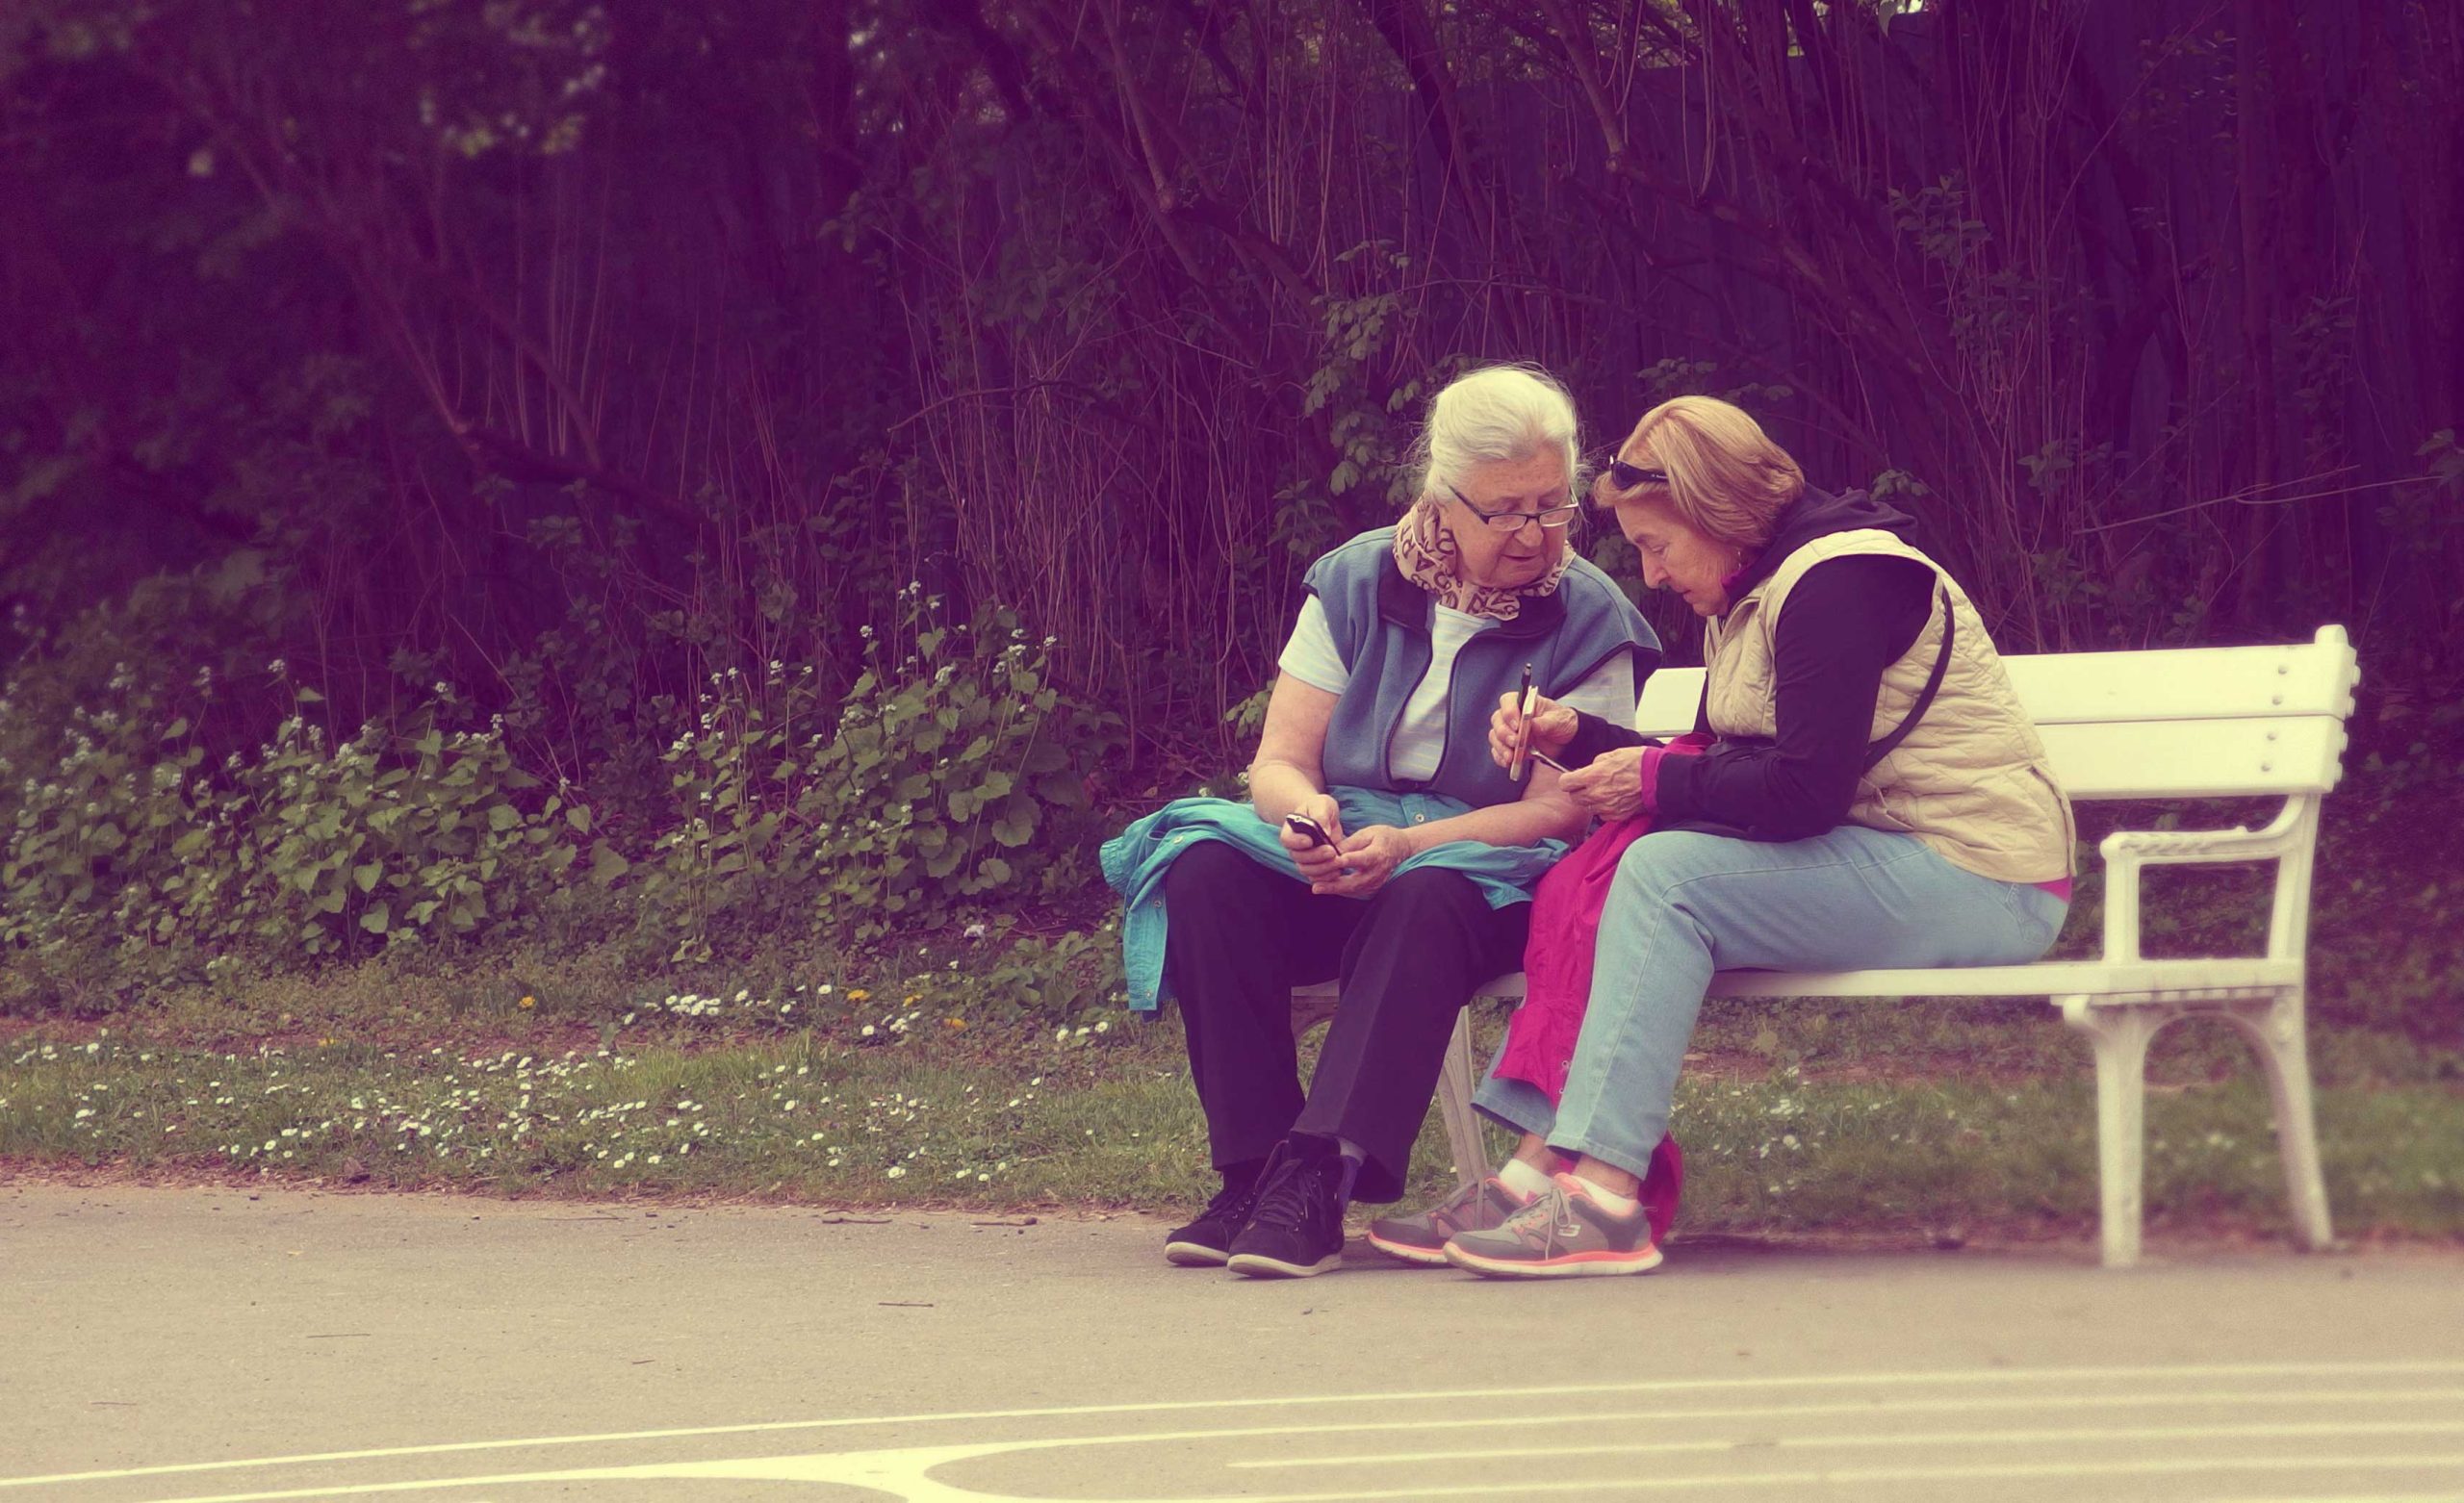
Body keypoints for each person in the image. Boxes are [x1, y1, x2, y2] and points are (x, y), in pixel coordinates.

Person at [1364, 394, 2076, 1278]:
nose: (1652, 575)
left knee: (1667, 876)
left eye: (1657, 546)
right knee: (1633, 867)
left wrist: (1650, 779)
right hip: (1886, 856)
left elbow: (1801, 793)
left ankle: (1606, 1198)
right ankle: (1537, 1174)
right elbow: (1724, 765)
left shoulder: (1838, 583)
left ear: (1713, 514)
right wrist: (1575, 736)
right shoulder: (1757, 585)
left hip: (1982, 877)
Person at [1101, 365, 1659, 1279]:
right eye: (1506, 510)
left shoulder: (1590, 613)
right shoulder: (1356, 580)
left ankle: (1321, 1177)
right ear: (1445, 498)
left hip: (1485, 875)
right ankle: (1250, 1174)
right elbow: (1279, 760)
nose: (1535, 534)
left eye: (1553, 507)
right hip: (1348, 851)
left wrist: (1412, 846)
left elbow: (1564, 807)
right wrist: (1306, 818)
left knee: (1425, 898)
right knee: (1206, 872)